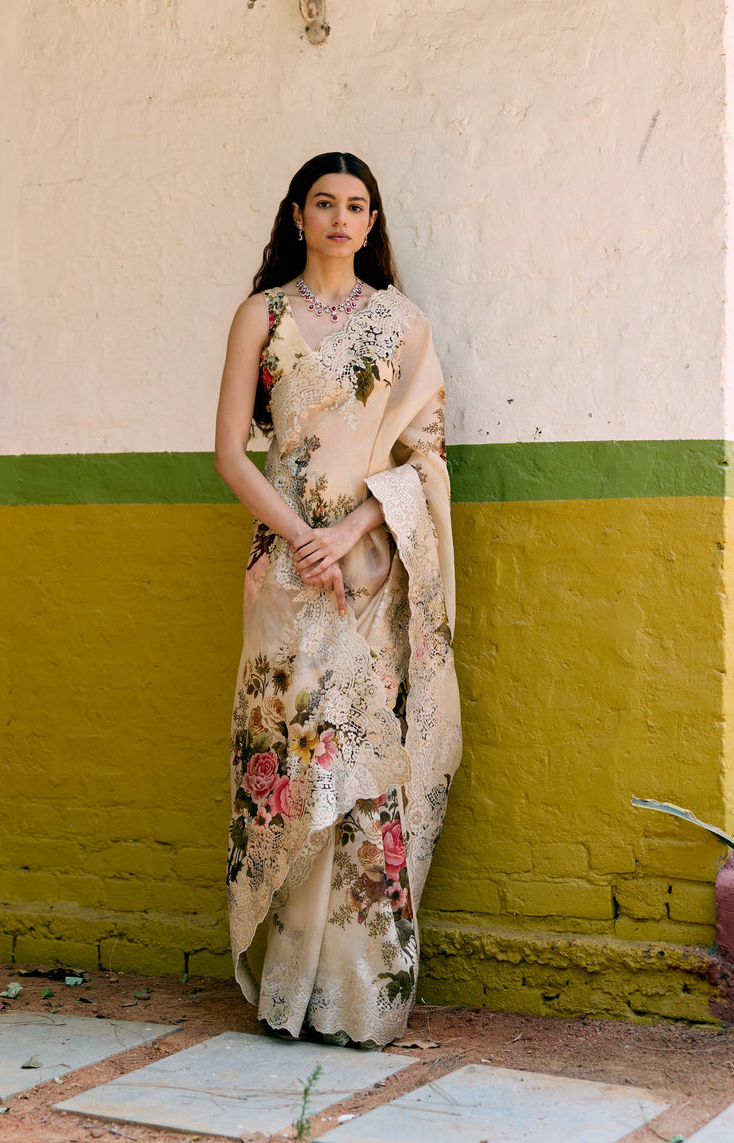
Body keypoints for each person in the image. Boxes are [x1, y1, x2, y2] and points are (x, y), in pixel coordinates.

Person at [214, 151, 461, 1048]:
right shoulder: (263, 314)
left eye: (358, 205)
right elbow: (232, 452)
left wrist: (351, 532)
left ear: (372, 219)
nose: (341, 218)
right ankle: (289, 991)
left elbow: (425, 455)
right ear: (297, 214)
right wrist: (296, 537)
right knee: (289, 755)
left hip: (368, 572)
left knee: (360, 768)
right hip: (283, 575)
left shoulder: (402, 323)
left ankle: (358, 999)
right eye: (325, 202)